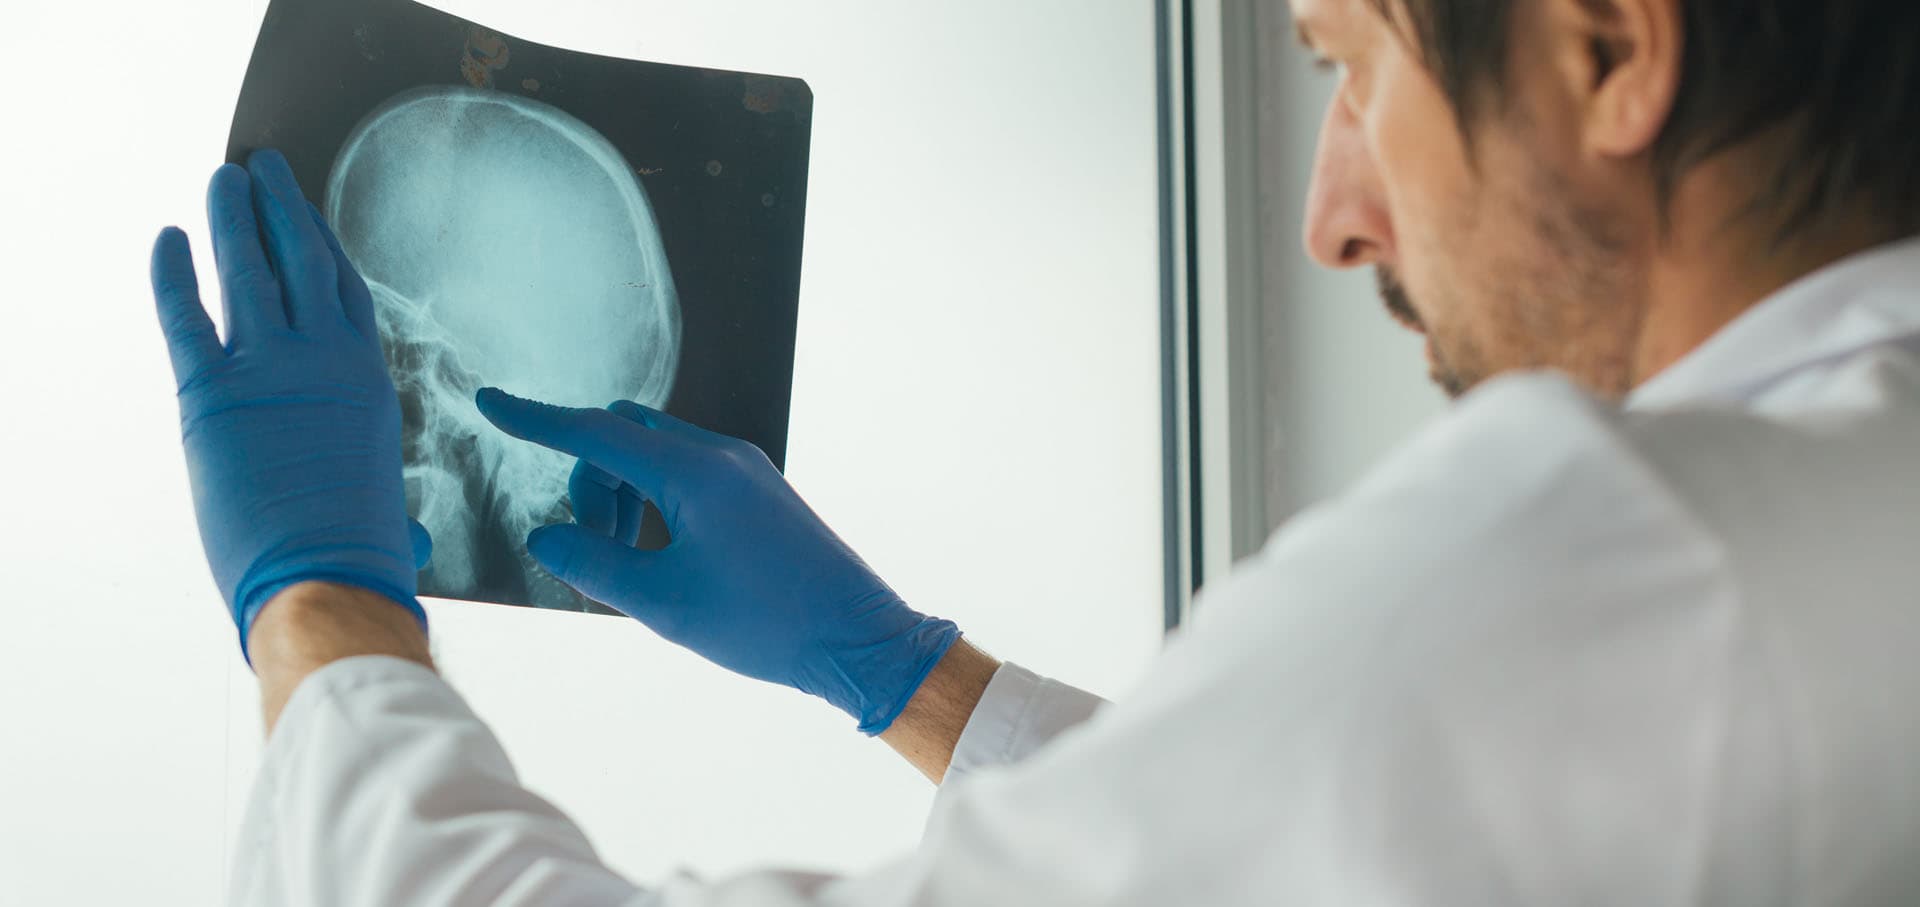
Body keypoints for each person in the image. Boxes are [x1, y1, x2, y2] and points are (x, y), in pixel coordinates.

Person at [147, 0, 1920, 902]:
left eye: (1349, 70)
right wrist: (915, 677)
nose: (1330, 219)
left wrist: (319, 599)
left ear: (1612, 48)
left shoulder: (1602, 555)